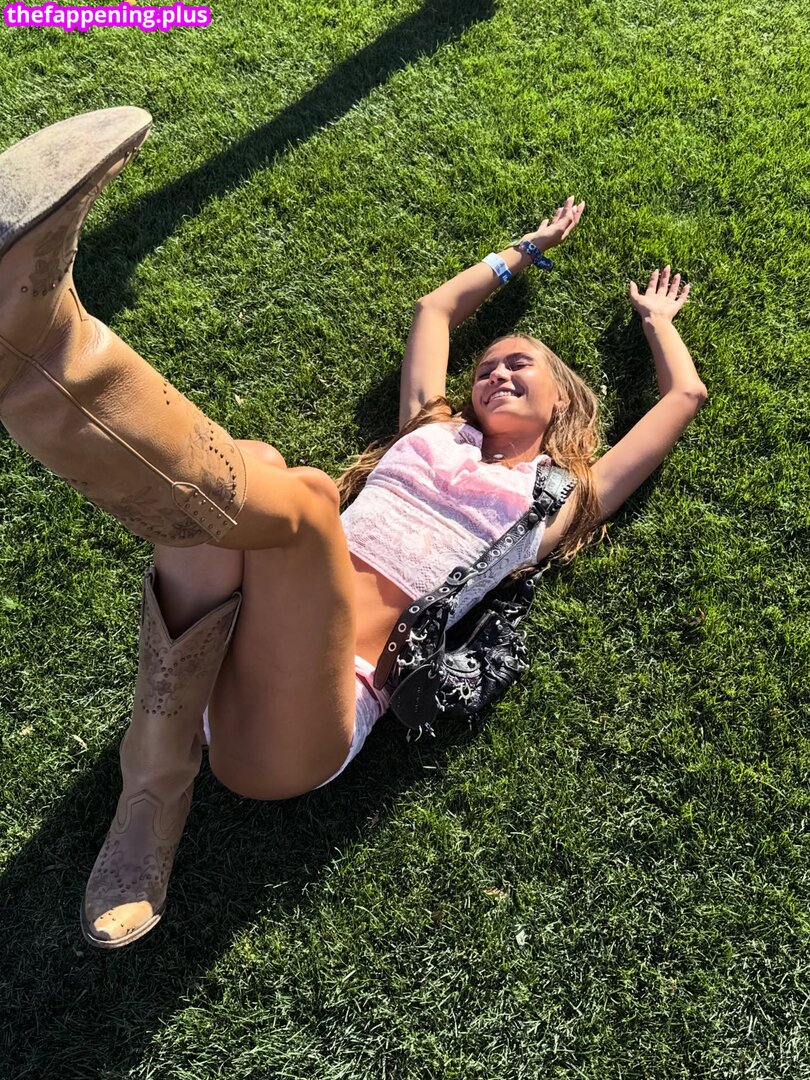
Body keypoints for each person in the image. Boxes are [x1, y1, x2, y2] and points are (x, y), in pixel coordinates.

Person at [0, 108, 708, 950]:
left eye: (519, 364)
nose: (495, 372)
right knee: (256, 465)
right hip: (221, 645)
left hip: (304, 725)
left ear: (564, 401)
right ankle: (151, 787)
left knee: (299, 498)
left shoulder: (561, 498)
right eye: (487, 367)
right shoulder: (430, 425)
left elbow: (684, 398)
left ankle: (48, 344)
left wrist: (658, 324)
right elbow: (436, 310)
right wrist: (529, 248)